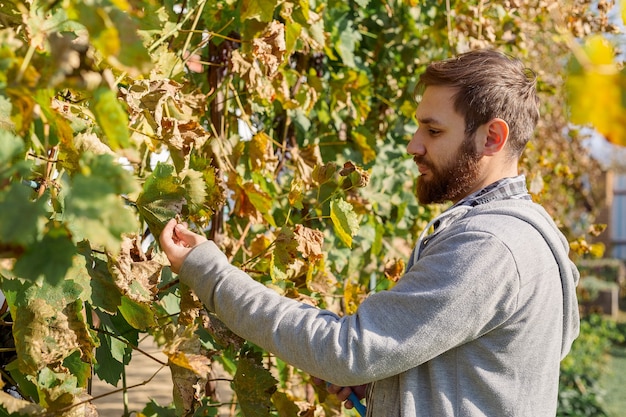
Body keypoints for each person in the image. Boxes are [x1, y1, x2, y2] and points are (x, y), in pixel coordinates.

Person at [159, 49, 580, 416]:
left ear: (492, 137)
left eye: (433, 131)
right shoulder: (536, 238)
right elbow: (486, 372)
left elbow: (346, 350)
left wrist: (211, 274)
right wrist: (390, 386)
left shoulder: (490, 246)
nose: (414, 145)